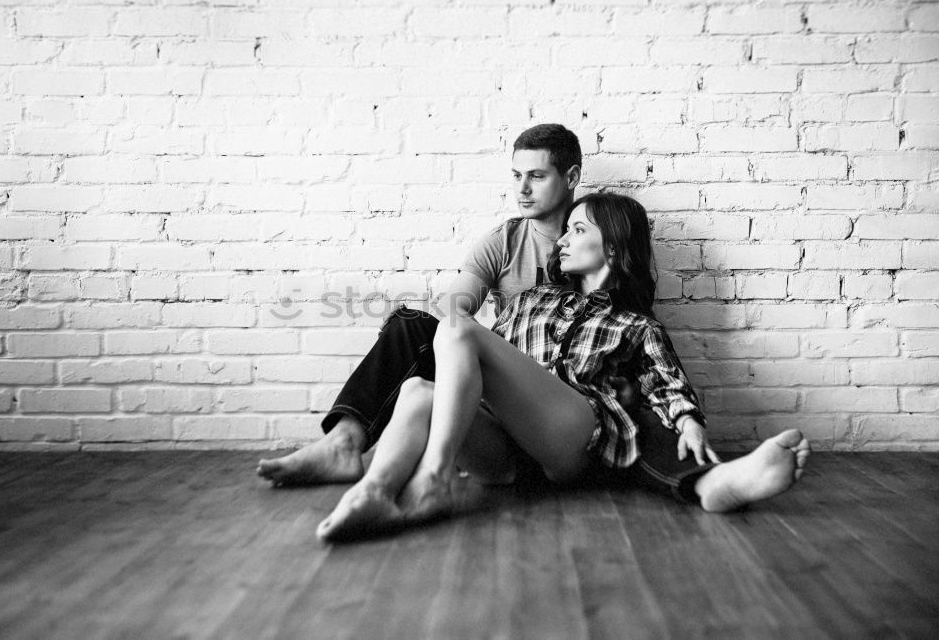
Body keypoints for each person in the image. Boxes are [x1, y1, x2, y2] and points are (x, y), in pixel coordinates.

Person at [315, 192, 811, 541]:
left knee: (456, 326)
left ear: (613, 247)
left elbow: (666, 381)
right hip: (506, 455)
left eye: (578, 230)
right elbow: (485, 364)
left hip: (569, 438)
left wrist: (688, 420)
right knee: (419, 389)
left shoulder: (634, 324)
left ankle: (434, 480)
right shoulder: (530, 300)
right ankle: (375, 489)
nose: (563, 241)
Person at [258, 124, 606, 486]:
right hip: (500, 389)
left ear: (572, 177)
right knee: (412, 325)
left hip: (560, 405)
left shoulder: (597, 236)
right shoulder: (504, 242)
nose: (522, 188)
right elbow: (448, 317)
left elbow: (626, 319)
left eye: (536, 176)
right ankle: (344, 441)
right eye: (517, 175)